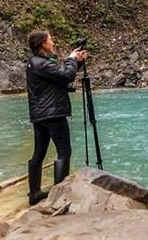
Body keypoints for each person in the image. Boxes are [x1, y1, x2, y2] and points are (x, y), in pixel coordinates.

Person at [25, 30, 87, 205]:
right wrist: (71, 59)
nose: (53, 43)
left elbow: (61, 79)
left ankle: (35, 194)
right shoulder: (42, 64)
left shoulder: (36, 63)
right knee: (64, 152)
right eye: (50, 40)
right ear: (43, 43)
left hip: (40, 115)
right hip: (53, 114)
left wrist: (77, 63)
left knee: (38, 154)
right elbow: (66, 75)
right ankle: (59, 197)